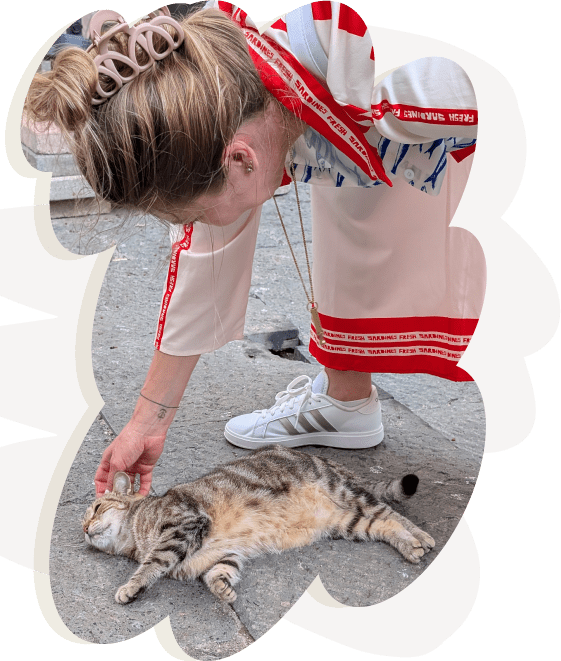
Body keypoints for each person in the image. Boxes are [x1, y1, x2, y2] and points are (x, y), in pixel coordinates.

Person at [25, 2, 482, 498]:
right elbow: (206, 255)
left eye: (194, 215)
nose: (195, 229)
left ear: (241, 158)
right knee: (346, 189)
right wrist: (147, 422)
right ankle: (346, 401)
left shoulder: (415, 81)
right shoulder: (232, 91)